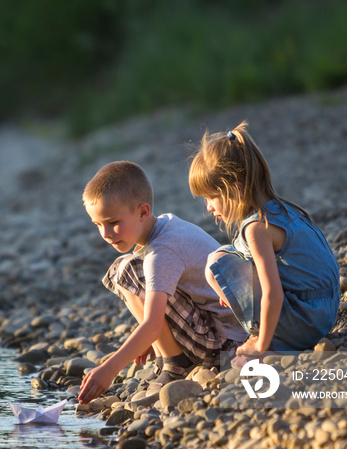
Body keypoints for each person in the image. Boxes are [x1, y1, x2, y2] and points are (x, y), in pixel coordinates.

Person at [78, 161, 246, 404]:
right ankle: (170, 353)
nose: (105, 234)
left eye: (113, 222)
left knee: (126, 269)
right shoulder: (167, 224)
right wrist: (147, 338)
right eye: (98, 225)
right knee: (130, 267)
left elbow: (153, 324)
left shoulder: (162, 251)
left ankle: (176, 363)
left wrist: (109, 369)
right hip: (222, 330)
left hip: (226, 345)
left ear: (143, 212)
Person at [188, 121, 339, 365]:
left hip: (307, 321)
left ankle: (275, 344)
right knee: (225, 253)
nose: (209, 207)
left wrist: (261, 345)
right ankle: (275, 335)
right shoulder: (282, 209)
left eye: (211, 197)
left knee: (215, 264)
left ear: (234, 189)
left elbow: (273, 294)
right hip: (325, 307)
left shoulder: (257, 227)